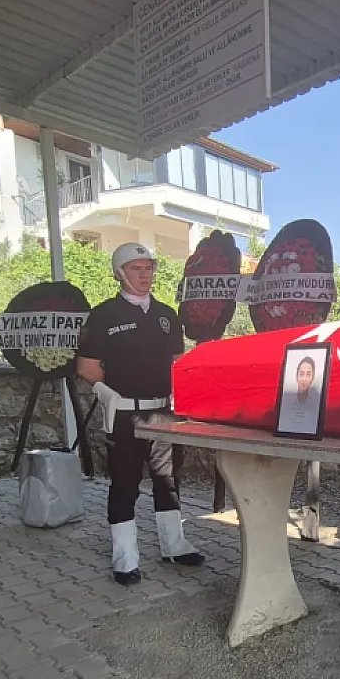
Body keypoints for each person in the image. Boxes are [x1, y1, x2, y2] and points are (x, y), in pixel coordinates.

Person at [76, 242, 204, 585]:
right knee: (125, 485)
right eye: (136, 268)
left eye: (149, 268)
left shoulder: (167, 315)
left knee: (168, 481)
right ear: (119, 273)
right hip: (124, 415)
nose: (144, 275)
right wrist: (111, 395)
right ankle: (125, 559)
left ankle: (174, 545)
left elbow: (178, 362)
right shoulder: (103, 315)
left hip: (163, 411)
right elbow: (87, 367)